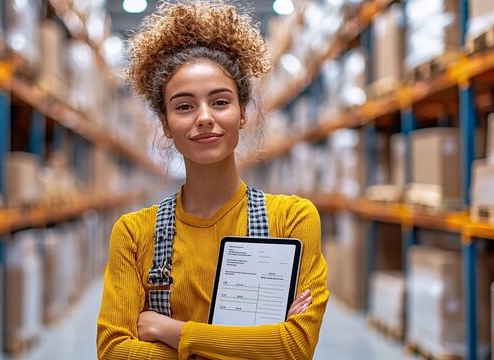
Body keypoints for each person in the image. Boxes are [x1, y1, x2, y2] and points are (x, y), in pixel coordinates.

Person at [97, 1, 328, 359]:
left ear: (242, 114)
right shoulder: (133, 235)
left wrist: (169, 331)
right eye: (184, 106)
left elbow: (294, 347)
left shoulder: (292, 220)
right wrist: (250, 347)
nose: (204, 118)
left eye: (220, 102)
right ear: (164, 123)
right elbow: (113, 352)